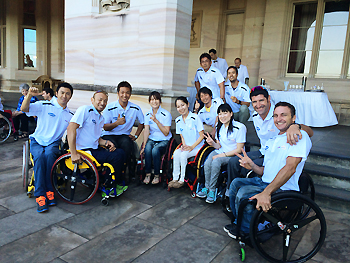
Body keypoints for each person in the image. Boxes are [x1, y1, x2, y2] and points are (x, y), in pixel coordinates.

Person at [224, 102, 312, 238]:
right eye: (276, 115)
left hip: (282, 188)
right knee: (235, 183)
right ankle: (239, 222)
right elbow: (266, 171)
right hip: (265, 182)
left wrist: (267, 192)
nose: (279, 119)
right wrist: (252, 166)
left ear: (293, 118)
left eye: (284, 115)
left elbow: (290, 168)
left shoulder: (298, 136)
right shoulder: (273, 140)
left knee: (243, 193)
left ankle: (247, 232)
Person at [225, 86, 313, 208]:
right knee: (235, 161)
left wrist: (295, 126)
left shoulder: (278, 114)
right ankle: (230, 196)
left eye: (261, 100)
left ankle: (248, 204)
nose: (258, 105)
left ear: (268, 99)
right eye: (254, 102)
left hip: (277, 153)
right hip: (266, 149)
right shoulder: (255, 116)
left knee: (247, 172)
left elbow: (309, 132)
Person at [21, 82, 74, 213]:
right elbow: (24, 109)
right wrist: (28, 96)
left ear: (70, 96)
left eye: (68, 93)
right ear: (56, 94)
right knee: (39, 157)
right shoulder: (44, 105)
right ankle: (40, 195)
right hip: (37, 140)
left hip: (53, 143)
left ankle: (50, 190)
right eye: (62, 92)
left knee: (50, 156)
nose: (64, 96)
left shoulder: (70, 115)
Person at [67, 90, 127, 197]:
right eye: (100, 100)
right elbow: (71, 128)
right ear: (92, 100)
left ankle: (113, 182)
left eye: (105, 101)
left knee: (120, 152)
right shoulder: (85, 110)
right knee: (116, 156)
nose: (102, 103)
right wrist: (73, 153)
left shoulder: (100, 118)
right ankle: (107, 186)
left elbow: (97, 138)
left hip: (94, 148)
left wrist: (107, 142)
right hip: (84, 151)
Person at [197, 103, 246, 203]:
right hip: (221, 151)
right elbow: (219, 146)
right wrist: (212, 143)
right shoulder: (219, 126)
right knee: (207, 163)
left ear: (231, 114)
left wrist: (221, 155)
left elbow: (239, 149)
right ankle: (206, 188)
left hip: (233, 155)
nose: (222, 116)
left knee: (216, 162)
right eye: (219, 114)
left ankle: (212, 190)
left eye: (225, 113)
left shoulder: (240, 127)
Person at [102, 81, 144, 182]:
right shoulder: (110, 107)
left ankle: (125, 173)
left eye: (127, 92)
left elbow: (142, 123)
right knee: (114, 148)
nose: (125, 95)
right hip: (109, 135)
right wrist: (117, 123)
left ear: (130, 94)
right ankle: (113, 175)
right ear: (118, 93)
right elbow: (105, 127)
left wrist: (136, 136)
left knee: (127, 145)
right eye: (122, 92)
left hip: (124, 136)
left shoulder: (135, 108)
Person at [169, 96, 204, 189]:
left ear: (188, 105)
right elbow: (182, 136)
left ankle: (182, 179)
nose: (181, 108)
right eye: (178, 106)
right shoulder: (178, 120)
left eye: (183, 105)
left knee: (184, 155)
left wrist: (191, 147)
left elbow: (201, 136)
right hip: (187, 146)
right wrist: (184, 145)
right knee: (176, 153)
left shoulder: (195, 118)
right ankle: (175, 178)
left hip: (198, 147)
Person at [140, 91, 172, 185]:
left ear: (160, 101)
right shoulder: (147, 114)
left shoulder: (166, 114)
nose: (154, 102)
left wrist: (156, 121)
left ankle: (157, 175)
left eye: (156, 99)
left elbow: (166, 133)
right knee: (148, 149)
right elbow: (146, 130)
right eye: (152, 99)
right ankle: (148, 174)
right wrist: (144, 145)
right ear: (149, 102)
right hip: (152, 138)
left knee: (155, 150)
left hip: (164, 139)